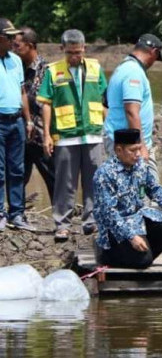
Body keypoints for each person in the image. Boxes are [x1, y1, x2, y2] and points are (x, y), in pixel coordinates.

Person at [38, 29, 106, 240]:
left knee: (94, 180)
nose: (75, 57)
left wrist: (108, 129)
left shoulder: (95, 68)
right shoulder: (52, 71)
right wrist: (47, 135)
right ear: (62, 50)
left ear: (84, 48)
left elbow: (104, 101)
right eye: (70, 53)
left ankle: (91, 221)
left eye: (78, 52)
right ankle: (62, 224)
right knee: (65, 182)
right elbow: (46, 104)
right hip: (66, 135)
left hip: (93, 134)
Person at [93, 129, 162, 268]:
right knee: (143, 261)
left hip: (139, 219)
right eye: (133, 150)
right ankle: (109, 255)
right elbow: (109, 213)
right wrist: (131, 236)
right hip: (116, 229)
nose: (138, 154)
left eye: (139, 149)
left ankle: (143, 252)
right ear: (118, 150)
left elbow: (154, 189)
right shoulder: (104, 174)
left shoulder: (140, 166)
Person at [104, 34, 162, 180]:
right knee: (144, 191)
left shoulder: (123, 67)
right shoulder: (133, 72)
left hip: (122, 142)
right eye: (156, 58)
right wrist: (141, 147)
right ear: (153, 52)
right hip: (130, 146)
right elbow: (131, 111)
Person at [12, 27, 54, 204]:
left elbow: (45, 103)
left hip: (40, 135)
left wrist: (47, 134)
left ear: (29, 46)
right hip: (20, 133)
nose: (14, 49)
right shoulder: (16, 68)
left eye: (17, 46)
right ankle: (17, 214)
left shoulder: (46, 70)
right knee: (17, 176)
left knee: (53, 177)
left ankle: (61, 218)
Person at [0, 18, 34, 231]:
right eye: (9, 37)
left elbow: (22, 92)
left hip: (17, 122)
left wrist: (28, 119)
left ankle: (17, 213)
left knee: (17, 170)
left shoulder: (15, 60)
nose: (14, 41)